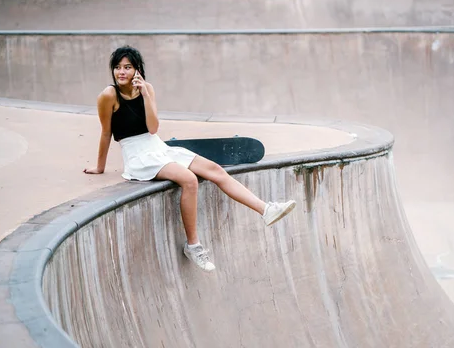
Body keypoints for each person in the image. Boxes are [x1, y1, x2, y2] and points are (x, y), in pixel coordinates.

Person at [84, 45, 296, 272]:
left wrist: (145, 94)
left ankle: (265, 210)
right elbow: (106, 132)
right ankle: (193, 245)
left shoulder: (147, 89)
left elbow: (153, 128)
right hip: (137, 155)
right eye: (117, 68)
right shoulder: (108, 95)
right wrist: (100, 167)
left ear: (137, 70)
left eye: (127, 67)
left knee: (214, 169)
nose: (121, 72)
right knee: (189, 179)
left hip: (157, 146)